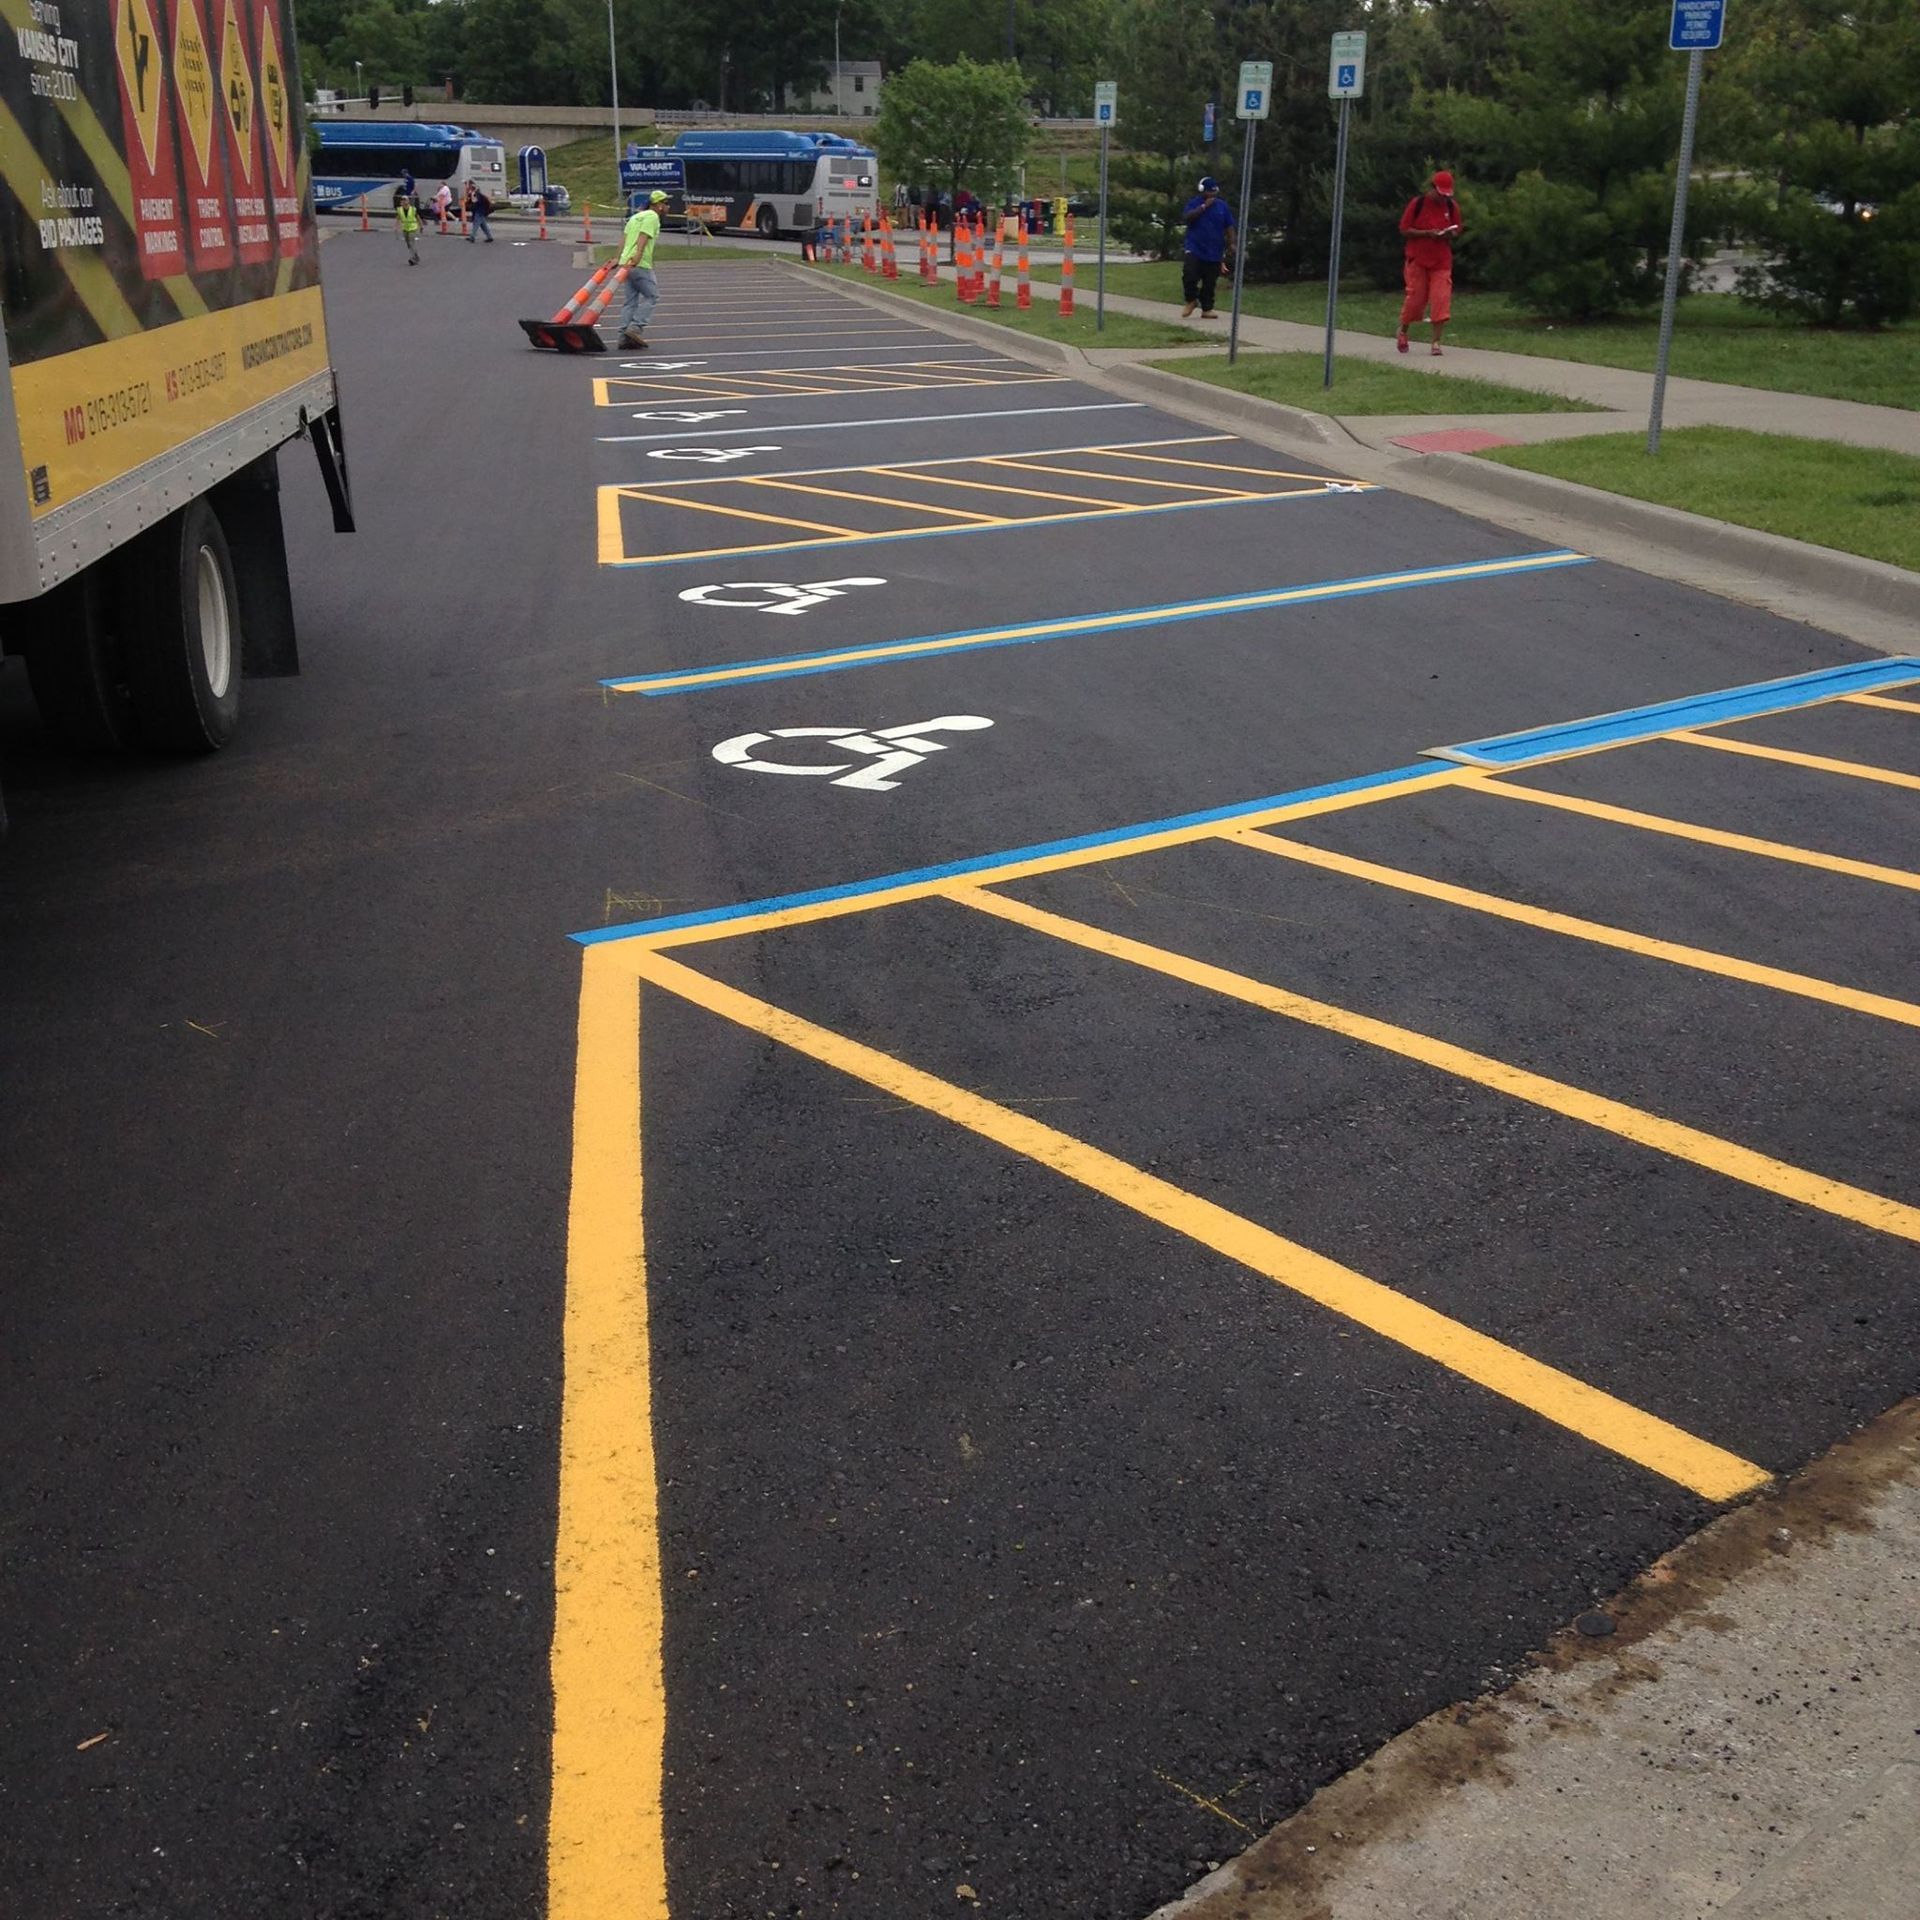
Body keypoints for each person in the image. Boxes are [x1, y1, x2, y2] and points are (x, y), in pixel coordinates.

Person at [1398, 169, 1462, 355]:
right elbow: (1404, 229)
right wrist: (1427, 233)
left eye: (1446, 195)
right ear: (1432, 188)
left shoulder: (1451, 206)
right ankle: (1403, 331)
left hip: (1442, 261)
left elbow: (1458, 228)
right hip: (1418, 259)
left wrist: (1450, 233)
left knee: (1440, 300)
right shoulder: (1417, 204)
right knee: (1415, 301)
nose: (1443, 199)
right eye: (1440, 194)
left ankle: (1436, 342)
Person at [617, 188, 668, 350]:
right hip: (640, 263)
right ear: (658, 205)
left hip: (626, 263)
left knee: (630, 301)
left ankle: (623, 337)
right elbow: (643, 236)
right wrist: (638, 255)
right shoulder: (652, 217)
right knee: (652, 296)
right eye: (666, 204)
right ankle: (635, 328)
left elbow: (624, 239)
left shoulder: (635, 217)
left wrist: (617, 258)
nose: (668, 207)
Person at [1180, 175, 1236, 319]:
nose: (1211, 195)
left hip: (1214, 249)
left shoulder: (1222, 206)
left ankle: (1207, 308)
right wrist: (1204, 207)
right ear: (1201, 190)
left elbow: (1229, 226)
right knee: (1190, 274)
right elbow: (1187, 218)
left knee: (1210, 281)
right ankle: (1191, 300)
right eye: (1209, 192)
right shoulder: (1194, 203)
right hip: (1195, 247)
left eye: (1214, 192)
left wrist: (1232, 243)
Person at [395, 191, 420, 266]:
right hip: (405, 229)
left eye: (405, 200)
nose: (403, 201)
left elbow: (418, 217)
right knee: (408, 244)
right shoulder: (399, 209)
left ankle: (413, 259)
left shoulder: (413, 209)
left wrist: (421, 226)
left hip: (413, 228)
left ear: (408, 201)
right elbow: (398, 218)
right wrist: (396, 227)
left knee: (411, 243)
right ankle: (416, 256)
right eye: (402, 200)